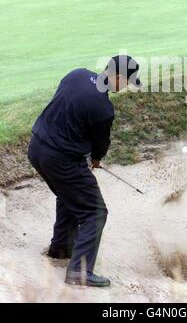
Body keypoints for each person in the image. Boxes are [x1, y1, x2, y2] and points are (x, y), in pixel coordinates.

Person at [28, 55, 141, 287]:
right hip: (61, 160)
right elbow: (100, 145)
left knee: (69, 195)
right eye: (127, 81)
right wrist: (97, 158)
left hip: (37, 148)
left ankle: (60, 248)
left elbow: (64, 106)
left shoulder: (76, 74)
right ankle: (79, 271)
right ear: (117, 77)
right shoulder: (103, 107)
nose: (127, 86)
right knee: (95, 212)